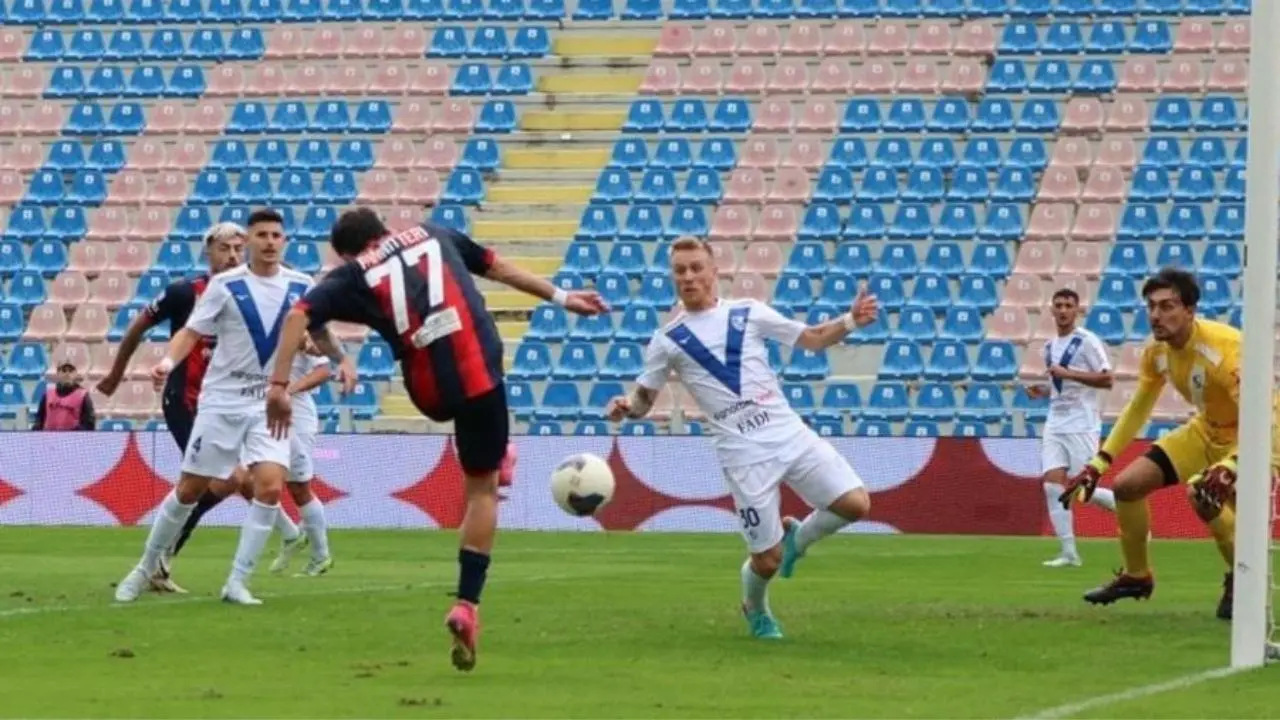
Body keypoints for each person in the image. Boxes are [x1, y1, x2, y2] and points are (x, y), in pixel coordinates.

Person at [263, 208, 606, 671]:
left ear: (345, 252)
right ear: (383, 229)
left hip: (427, 388)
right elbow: (499, 267)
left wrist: (278, 387)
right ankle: (467, 603)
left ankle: (496, 452)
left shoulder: (351, 274)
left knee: (468, 434)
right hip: (478, 369)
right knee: (482, 489)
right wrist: (564, 297)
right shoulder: (434, 233)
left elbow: (296, 318)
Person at [605, 236, 877, 641]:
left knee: (856, 503)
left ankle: (797, 541)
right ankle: (756, 608)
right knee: (765, 562)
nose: (689, 276)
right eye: (680, 270)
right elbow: (646, 397)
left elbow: (812, 338)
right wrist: (628, 406)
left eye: (697, 267)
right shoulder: (667, 341)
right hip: (743, 455)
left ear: (715, 272)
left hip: (788, 432)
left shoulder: (748, 313)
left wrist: (851, 320)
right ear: (672, 278)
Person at [112, 208, 356, 606]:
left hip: (268, 403)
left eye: (276, 235)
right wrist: (166, 362)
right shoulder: (225, 285)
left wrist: (343, 359)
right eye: (261, 235)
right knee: (190, 489)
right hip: (222, 401)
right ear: (250, 243)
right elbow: (191, 332)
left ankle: (237, 582)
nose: (269, 242)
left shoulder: (300, 284)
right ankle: (144, 567)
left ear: (284, 241)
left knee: (271, 487)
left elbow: (319, 330)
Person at [1061, 267, 1280, 619]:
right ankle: (1137, 576)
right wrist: (1098, 463)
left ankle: (1242, 579)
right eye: (1151, 307)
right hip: (1205, 430)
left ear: (1190, 311)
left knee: (1202, 495)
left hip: (1256, 435)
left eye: (1167, 306)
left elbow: (1263, 415)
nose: (1156, 315)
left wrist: (1233, 464)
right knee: (1127, 486)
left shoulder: (1226, 350)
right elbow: (1138, 408)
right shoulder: (1157, 353)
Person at [98, 222, 255, 594]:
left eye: (238, 248)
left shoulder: (249, 296)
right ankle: (157, 563)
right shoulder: (186, 293)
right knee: (221, 479)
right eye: (224, 248)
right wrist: (116, 374)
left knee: (231, 480)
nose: (232, 256)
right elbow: (138, 325)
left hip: (225, 402)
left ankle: (160, 561)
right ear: (209, 252)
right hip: (184, 400)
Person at [1023, 288, 1116, 568]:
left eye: (1068, 305)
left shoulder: (1087, 342)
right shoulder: (1049, 347)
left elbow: (1108, 379)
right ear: (1051, 310)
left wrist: (1069, 373)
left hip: (1082, 424)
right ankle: (1069, 553)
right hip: (1055, 423)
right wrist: (1042, 390)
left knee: (1082, 490)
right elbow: (1060, 386)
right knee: (1052, 486)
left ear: (1078, 310)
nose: (1063, 310)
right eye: (1059, 305)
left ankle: (1127, 509)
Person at [266, 335, 335, 577]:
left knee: (298, 487)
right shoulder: (258, 326)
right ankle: (291, 535)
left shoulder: (301, 327)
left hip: (297, 415)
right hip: (265, 413)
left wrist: (287, 390)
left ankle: (320, 555)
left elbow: (324, 370)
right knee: (251, 481)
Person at [34, 361, 96, 431]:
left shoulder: (82, 395)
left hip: (72, 439)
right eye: (64, 371)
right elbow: (39, 418)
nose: (67, 373)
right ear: (58, 373)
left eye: (71, 371)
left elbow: (89, 423)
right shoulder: (48, 394)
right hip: (50, 437)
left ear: (75, 374)